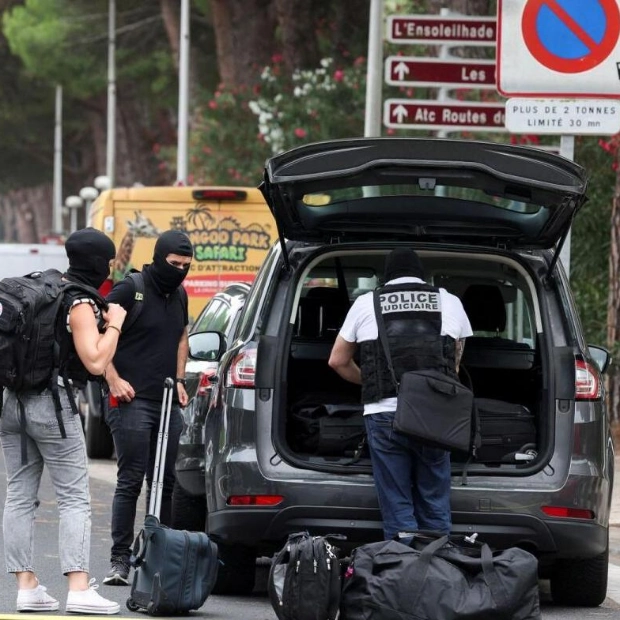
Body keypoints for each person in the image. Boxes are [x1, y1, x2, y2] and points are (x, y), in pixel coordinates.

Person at [1, 227, 126, 614]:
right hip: (50, 405)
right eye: (107, 262)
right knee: (74, 496)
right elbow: (94, 359)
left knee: (19, 494)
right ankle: (78, 588)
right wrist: (116, 322)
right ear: (98, 262)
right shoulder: (79, 302)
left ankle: (27, 587)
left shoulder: (46, 286)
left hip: (11, 402)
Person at [328, 248, 472, 539]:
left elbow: (337, 360)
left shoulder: (366, 303)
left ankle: (403, 571)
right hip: (434, 414)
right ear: (422, 275)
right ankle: (439, 568)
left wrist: (372, 381)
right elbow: (453, 367)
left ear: (386, 277)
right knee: (434, 499)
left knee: (396, 502)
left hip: (384, 414)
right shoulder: (450, 302)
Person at [102, 230, 193, 585]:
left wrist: (181, 381)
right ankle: (119, 560)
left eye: (186, 266)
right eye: (174, 264)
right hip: (131, 400)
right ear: (158, 258)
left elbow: (183, 336)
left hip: (167, 399)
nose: (180, 271)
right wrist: (112, 379)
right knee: (131, 480)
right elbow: (98, 336)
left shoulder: (181, 293)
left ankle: (158, 558)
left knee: (166, 483)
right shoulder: (129, 290)